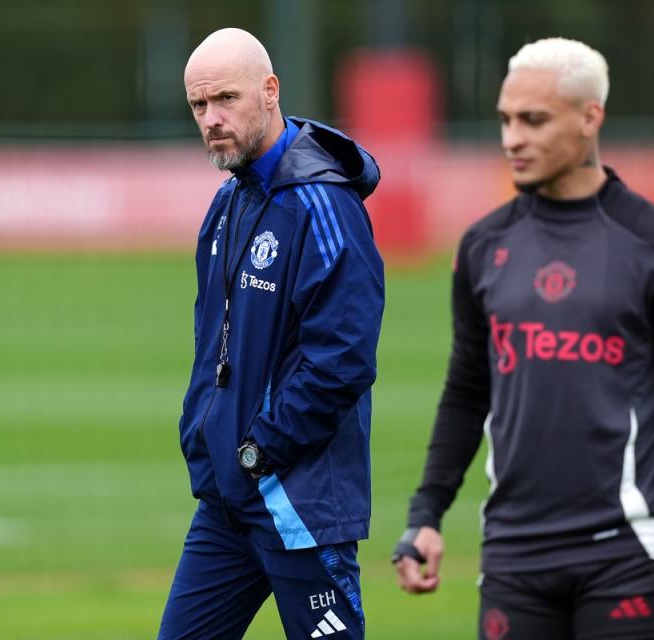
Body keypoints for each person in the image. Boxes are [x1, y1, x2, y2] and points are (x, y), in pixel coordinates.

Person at [392, 37, 654, 639]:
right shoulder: (481, 246)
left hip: (624, 552)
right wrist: (426, 514)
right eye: (504, 119)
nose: (512, 138)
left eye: (533, 120)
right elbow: (468, 392)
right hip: (512, 556)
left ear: (589, 117)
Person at [157, 28, 384, 640]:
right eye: (199, 106)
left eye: (225, 99)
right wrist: (207, 443)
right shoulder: (228, 202)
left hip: (298, 504)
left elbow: (342, 358)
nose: (212, 119)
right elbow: (216, 348)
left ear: (270, 91)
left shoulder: (324, 205)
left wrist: (263, 448)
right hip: (227, 506)